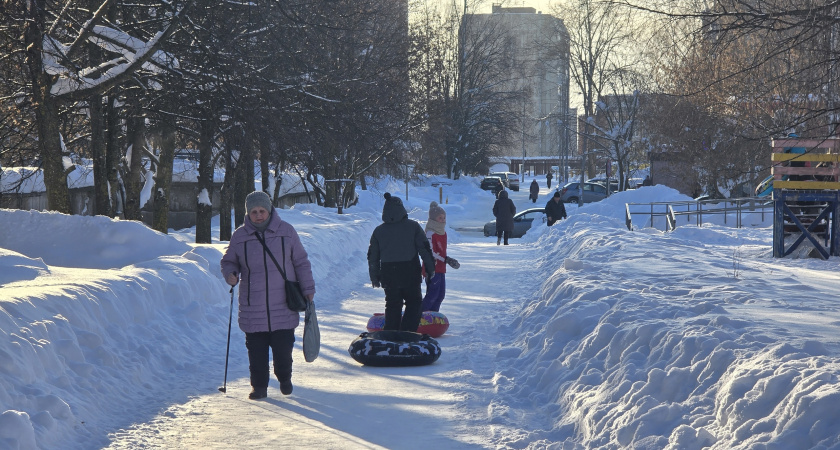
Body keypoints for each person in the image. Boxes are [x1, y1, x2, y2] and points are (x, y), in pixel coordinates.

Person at [220, 191, 316, 400]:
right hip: (252, 305)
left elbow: (301, 262)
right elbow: (229, 261)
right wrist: (231, 274)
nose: (258, 215)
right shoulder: (240, 236)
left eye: (262, 210)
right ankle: (259, 386)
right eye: (253, 212)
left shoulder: (287, 232)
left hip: (283, 303)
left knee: (283, 350)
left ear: (270, 209)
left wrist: (308, 289)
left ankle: (284, 378)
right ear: (248, 213)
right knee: (256, 352)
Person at [368, 193, 436, 332]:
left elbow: (372, 257)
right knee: (414, 303)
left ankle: (390, 335)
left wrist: (374, 276)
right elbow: (424, 249)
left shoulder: (379, 231)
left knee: (392, 304)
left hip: (388, 272)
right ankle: (407, 333)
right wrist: (430, 268)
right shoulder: (413, 227)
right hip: (409, 271)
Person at [421, 201, 460, 312]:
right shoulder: (430, 233)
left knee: (440, 295)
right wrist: (445, 259)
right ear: (433, 219)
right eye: (440, 218)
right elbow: (430, 251)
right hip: (432, 267)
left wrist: (446, 259)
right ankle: (420, 315)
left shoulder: (443, 232)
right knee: (432, 295)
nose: (443, 220)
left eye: (444, 217)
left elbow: (441, 251)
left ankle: (433, 316)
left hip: (441, 268)